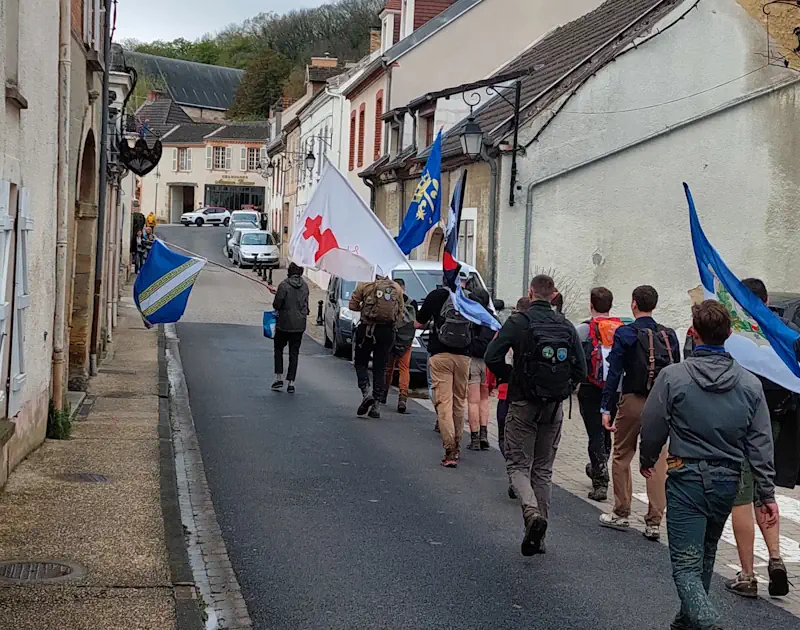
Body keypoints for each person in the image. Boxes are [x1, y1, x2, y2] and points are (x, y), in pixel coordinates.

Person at [639, 300, 779, 630]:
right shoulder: (749, 384)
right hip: (727, 479)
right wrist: (766, 493)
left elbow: (653, 422)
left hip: (687, 476)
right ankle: (686, 623)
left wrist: (647, 458)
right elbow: (760, 442)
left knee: (685, 566)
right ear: (729, 335)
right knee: (705, 554)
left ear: (693, 333)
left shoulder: (673, 376)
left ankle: (707, 621)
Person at [485, 275, 586, 555]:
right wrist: (562, 387)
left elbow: (492, 355)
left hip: (522, 402)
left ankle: (531, 514)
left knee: (518, 466)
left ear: (531, 292)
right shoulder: (566, 325)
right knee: (543, 470)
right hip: (553, 406)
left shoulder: (519, 321)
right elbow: (582, 370)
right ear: (554, 295)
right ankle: (540, 538)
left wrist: (513, 376)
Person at [721, 278, 791, 598]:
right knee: (766, 490)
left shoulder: (737, 334)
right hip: (776, 422)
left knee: (741, 497)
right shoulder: (785, 330)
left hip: (743, 422)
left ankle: (748, 574)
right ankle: (775, 557)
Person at [599, 285, 679, 541]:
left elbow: (614, 373)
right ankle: (654, 521)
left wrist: (606, 407)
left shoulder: (626, 333)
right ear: (654, 305)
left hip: (633, 399)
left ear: (634, 304)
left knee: (622, 454)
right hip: (661, 403)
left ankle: (621, 511)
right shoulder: (668, 334)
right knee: (657, 460)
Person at [416, 272, 474, 467]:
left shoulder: (436, 295)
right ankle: (457, 444)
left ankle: (450, 450)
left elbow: (418, 323)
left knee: (444, 403)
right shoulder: (469, 299)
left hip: (440, 355)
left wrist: (432, 320)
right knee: (459, 403)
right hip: (464, 356)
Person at [575, 287, 623, 502]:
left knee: (595, 432)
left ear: (591, 305)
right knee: (606, 430)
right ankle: (599, 467)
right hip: (614, 389)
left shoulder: (583, 330)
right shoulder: (622, 329)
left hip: (589, 387)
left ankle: (600, 480)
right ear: (611, 305)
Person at [349, 275, 404, 419]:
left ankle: (366, 392)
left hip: (367, 329)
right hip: (386, 332)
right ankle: (376, 405)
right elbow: (400, 313)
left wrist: (366, 309)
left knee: (360, 363)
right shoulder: (396, 288)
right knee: (380, 367)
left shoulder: (364, 285)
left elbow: (352, 306)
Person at [268, 263, 309, 394]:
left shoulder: (284, 285)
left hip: (284, 325)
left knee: (279, 349)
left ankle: (278, 377)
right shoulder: (305, 286)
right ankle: (291, 382)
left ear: (289, 271)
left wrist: (277, 293)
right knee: (294, 353)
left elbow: (277, 304)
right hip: (299, 325)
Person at [465, 288, 496, 451]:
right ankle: (484, 434)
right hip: (489, 363)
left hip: (473, 361)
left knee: (473, 401)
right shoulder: (493, 318)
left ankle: (475, 438)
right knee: (485, 400)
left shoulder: (471, 316)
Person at [384, 278, 415, 414]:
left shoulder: (389, 300)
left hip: (391, 338)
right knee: (404, 368)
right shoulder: (412, 302)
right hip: (406, 341)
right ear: (404, 288)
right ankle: (402, 397)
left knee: (388, 367)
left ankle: (382, 394)